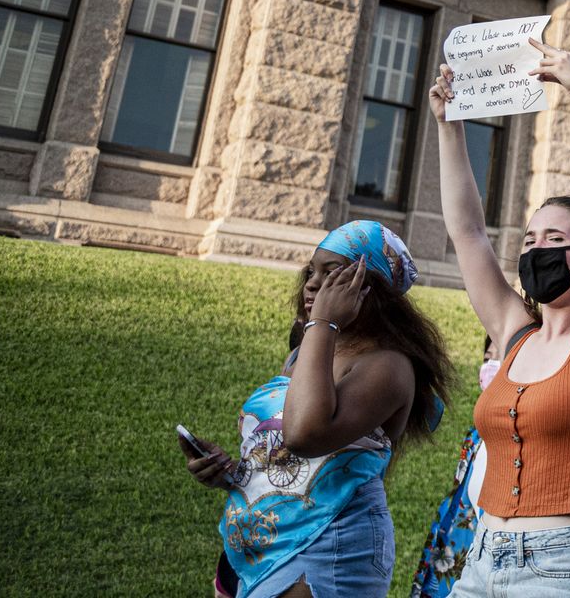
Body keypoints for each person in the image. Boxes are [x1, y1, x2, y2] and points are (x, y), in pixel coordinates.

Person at [430, 39, 570, 597]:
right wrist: (448, 125)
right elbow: (468, 233)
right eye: (529, 239)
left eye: (555, 239)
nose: (536, 249)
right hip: (480, 559)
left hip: (560, 567)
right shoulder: (513, 334)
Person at [184, 221, 452, 598]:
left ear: (370, 288)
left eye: (333, 274)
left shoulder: (388, 366)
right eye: (312, 271)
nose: (312, 283)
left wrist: (323, 322)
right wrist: (234, 474)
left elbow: (305, 434)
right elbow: (287, 455)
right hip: (265, 539)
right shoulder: (304, 353)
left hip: (329, 544)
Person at [411, 339, 501, 597]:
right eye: (487, 359)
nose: (490, 366)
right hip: (450, 544)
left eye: (500, 356)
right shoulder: (476, 434)